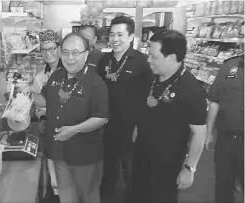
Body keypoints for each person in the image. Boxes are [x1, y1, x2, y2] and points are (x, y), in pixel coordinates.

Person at [31, 32, 109, 203]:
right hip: (59, 151)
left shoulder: (96, 83)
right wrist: (26, 94)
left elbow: (102, 118)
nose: (70, 58)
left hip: (84, 155)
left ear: (86, 54)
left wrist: (74, 130)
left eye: (75, 52)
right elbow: (45, 100)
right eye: (66, 52)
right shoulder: (56, 75)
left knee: (89, 195)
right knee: (66, 194)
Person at [132, 30, 207, 203]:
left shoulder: (192, 90)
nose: (148, 60)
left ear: (171, 57)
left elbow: (199, 133)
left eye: (154, 56)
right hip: (142, 153)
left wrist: (189, 168)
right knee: (137, 195)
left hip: (167, 163)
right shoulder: (152, 76)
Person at [97, 16, 152, 201]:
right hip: (107, 125)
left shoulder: (142, 62)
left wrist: (142, 126)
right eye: (112, 34)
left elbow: (149, 98)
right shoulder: (105, 60)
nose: (115, 39)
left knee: (132, 170)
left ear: (131, 37)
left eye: (120, 34)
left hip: (132, 127)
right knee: (108, 167)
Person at [205, 50, 244, 202]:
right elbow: (215, 100)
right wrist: (209, 132)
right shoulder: (229, 65)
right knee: (223, 187)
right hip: (226, 140)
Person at [31, 29, 63, 196]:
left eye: (52, 48)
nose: (48, 53)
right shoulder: (39, 78)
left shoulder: (68, 71)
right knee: (52, 162)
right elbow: (38, 105)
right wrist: (42, 117)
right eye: (44, 49)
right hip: (49, 127)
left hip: (68, 127)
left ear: (58, 48)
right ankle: (54, 193)